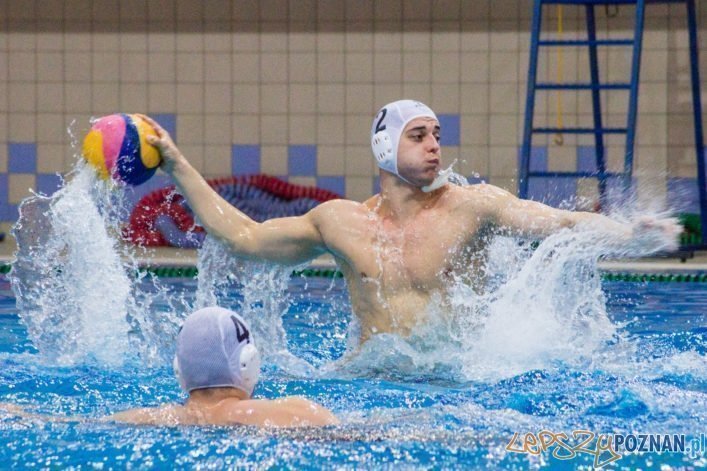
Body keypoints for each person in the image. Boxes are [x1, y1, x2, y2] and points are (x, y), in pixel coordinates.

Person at [139, 100, 680, 341]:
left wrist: (630, 235)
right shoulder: (342, 223)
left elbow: (559, 224)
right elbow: (245, 238)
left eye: (437, 135)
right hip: (370, 378)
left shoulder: (474, 205)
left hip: (455, 387)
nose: (434, 147)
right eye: (418, 135)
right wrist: (177, 163)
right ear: (383, 145)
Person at [0, 307, 339, 428]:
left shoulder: (147, 418)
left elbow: (66, 423)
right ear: (248, 362)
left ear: (180, 371)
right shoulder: (296, 412)